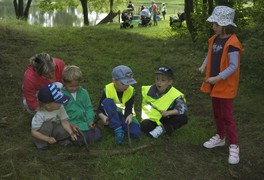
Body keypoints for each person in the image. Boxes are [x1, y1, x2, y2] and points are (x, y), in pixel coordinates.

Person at [198, 6, 243, 164]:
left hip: (225, 85)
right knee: (217, 113)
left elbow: (233, 66)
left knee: (227, 116)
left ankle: (234, 145)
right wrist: (204, 66)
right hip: (214, 85)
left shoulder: (232, 43)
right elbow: (210, 54)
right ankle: (220, 137)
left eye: (215, 24)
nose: (213, 26)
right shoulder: (215, 39)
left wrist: (218, 78)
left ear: (224, 24)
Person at [97, 65, 141, 144]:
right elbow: (99, 109)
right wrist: (103, 117)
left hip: (123, 116)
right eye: (123, 83)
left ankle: (119, 126)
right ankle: (118, 128)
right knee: (107, 102)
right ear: (114, 80)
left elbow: (129, 108)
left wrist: (129, 115)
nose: (127, 86)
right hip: (111, 115)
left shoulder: (131, 91)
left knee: (136, 133)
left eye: (129, 83)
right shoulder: (107, 90)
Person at [141, 66, 188, 138]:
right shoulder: (147, 90)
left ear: (170, 82)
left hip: (167, 117)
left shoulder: (175, 94)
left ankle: (163, 129)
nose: (159, 82)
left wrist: (169, 112)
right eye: (157, 79)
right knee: (145, 126)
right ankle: (163, 130)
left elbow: (182, 108)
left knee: (183, 118)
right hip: (152, 118)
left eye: (163, 80)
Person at [61, 65, 102, 146]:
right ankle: (71, 137)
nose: (74, 88)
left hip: (85, 122)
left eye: (76, 86)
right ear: (64, 82)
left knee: (97, 135)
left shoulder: (84, 92)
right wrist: (70, 124)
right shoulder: (61, 94)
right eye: (71, 86)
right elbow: (61, 114)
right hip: (72, 123)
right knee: (79, 139)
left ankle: (85, 135)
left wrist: (90, 120)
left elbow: (88, 107)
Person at [31, 83, 77, 150]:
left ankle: (61, 139)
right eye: (59, 102)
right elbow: (34, 132)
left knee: (63, 127)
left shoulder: (60, 107)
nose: (61, 103)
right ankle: (42, 144)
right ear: (48, 106)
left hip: (55, 127)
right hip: (43, 133)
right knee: (47, 125)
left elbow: (64, 121)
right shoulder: (40, 114)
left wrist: (71, 132)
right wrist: (47, 138)